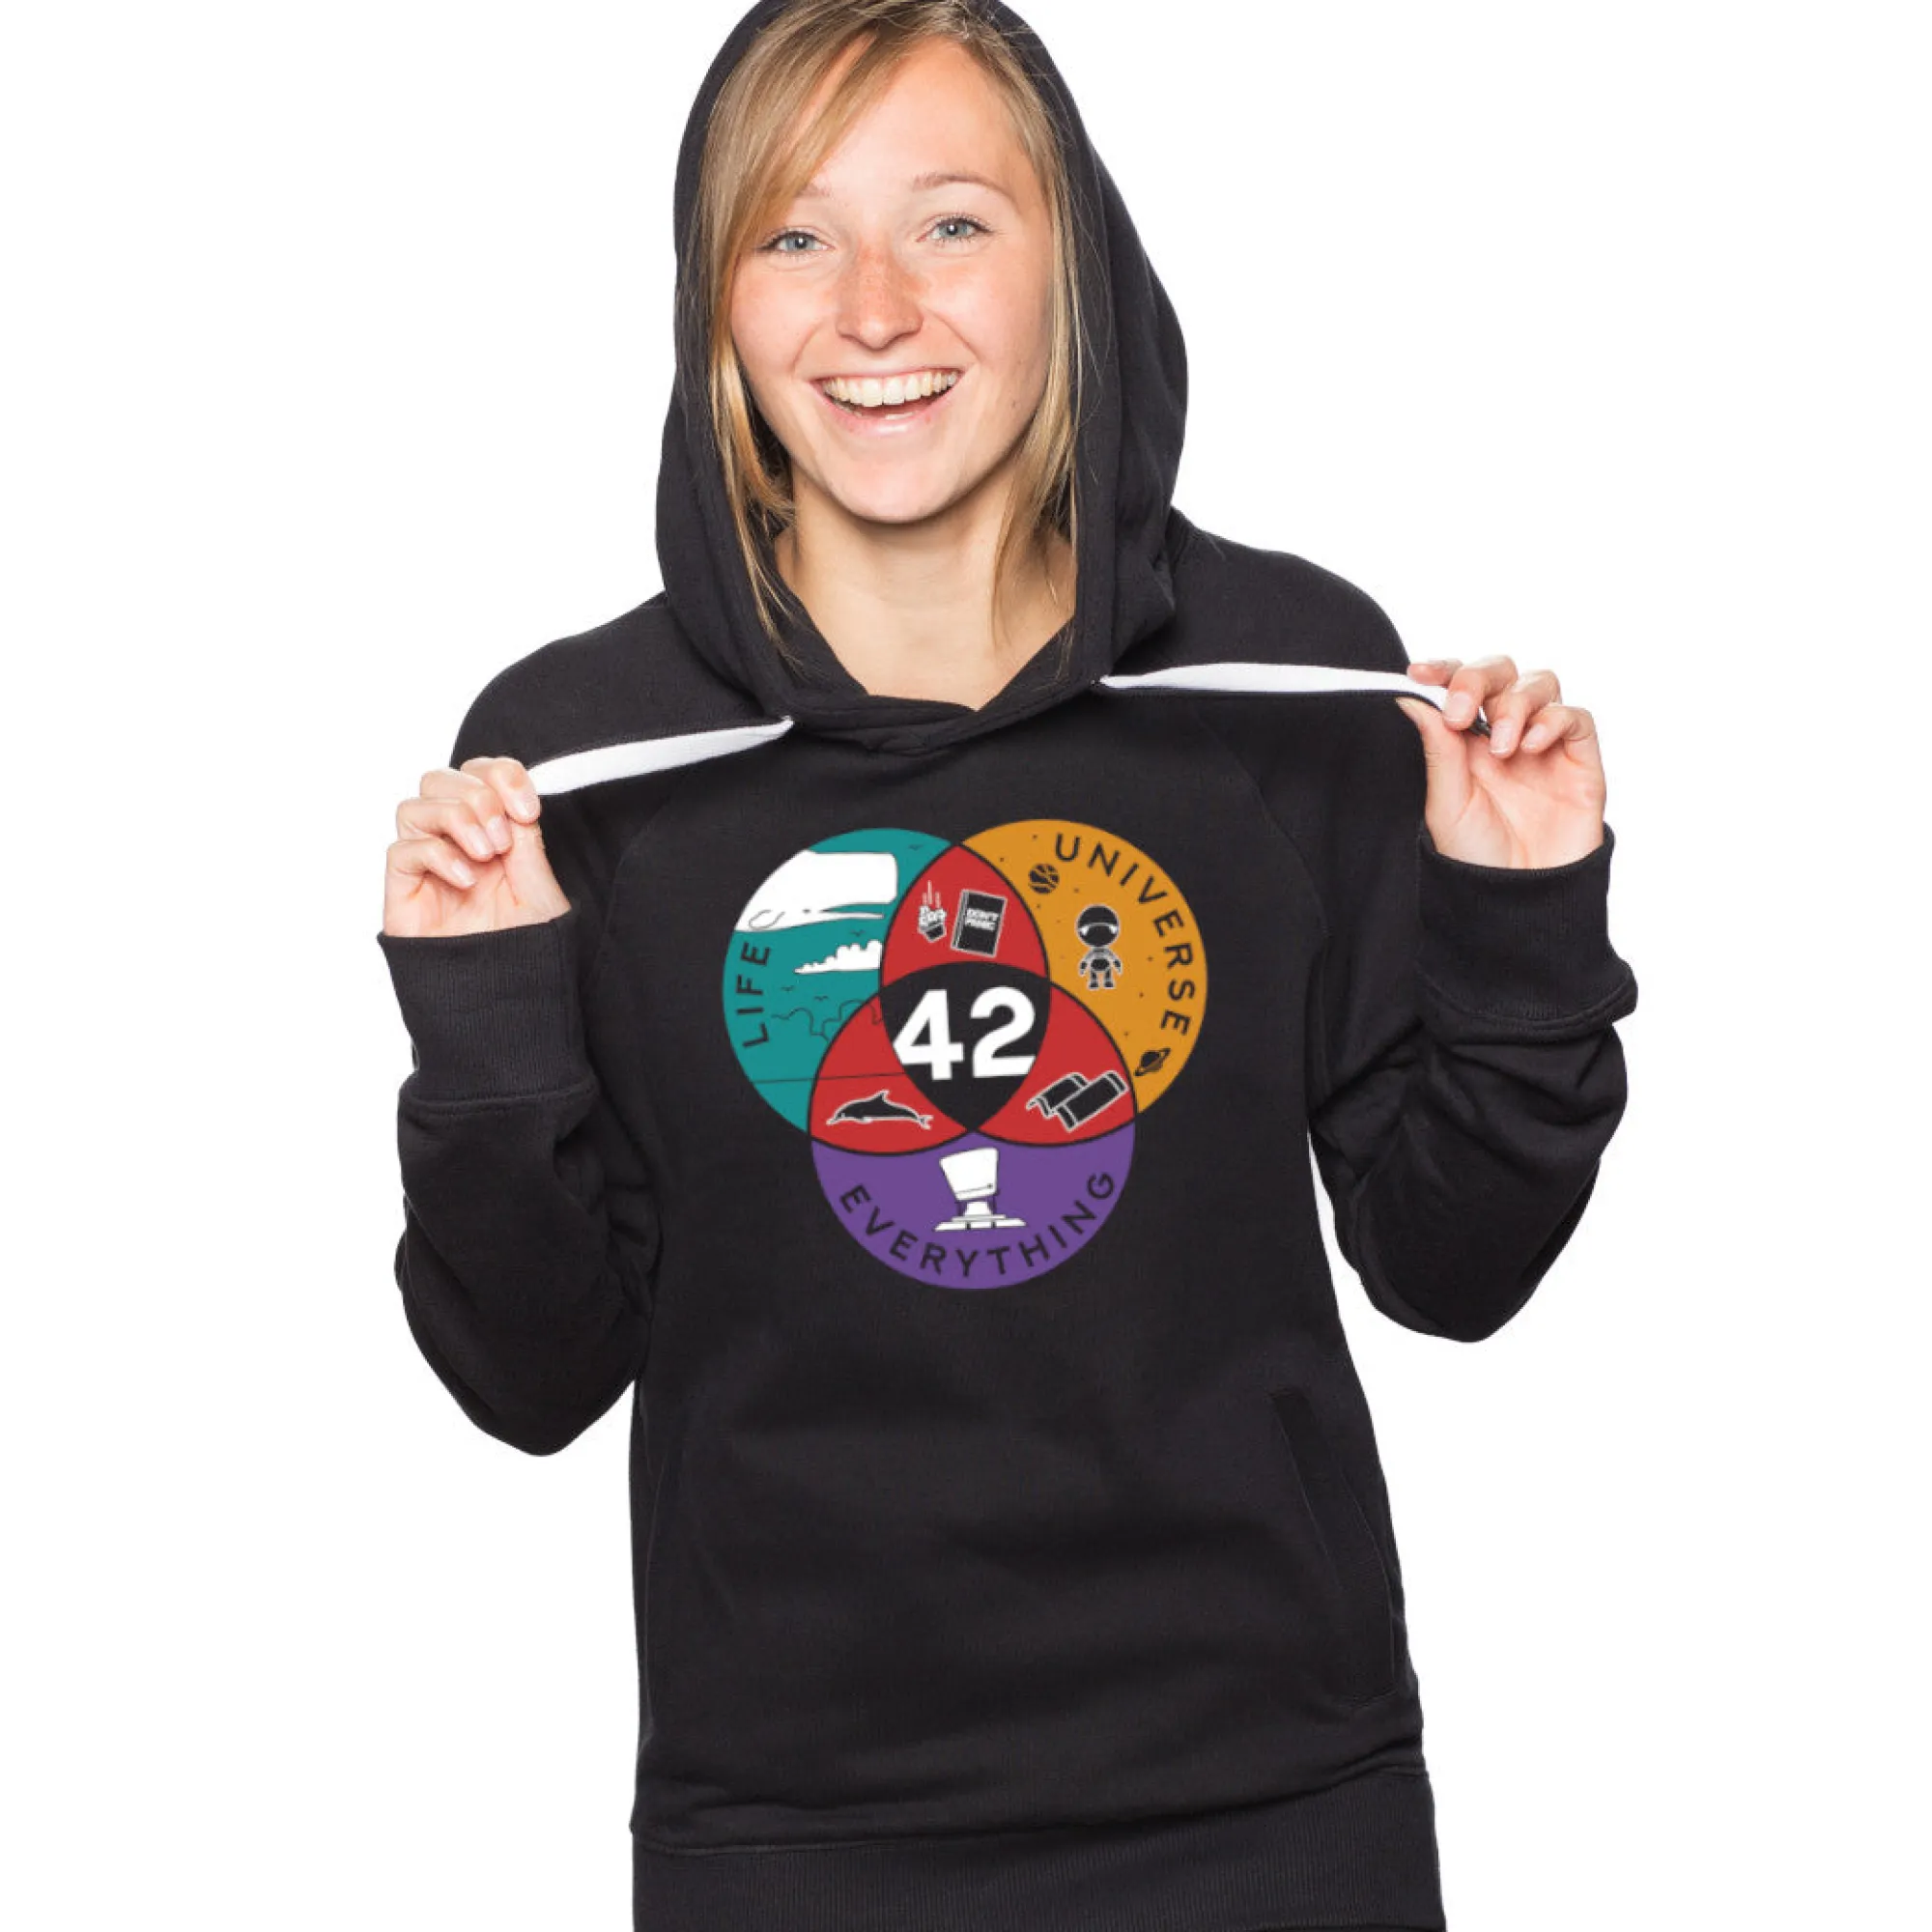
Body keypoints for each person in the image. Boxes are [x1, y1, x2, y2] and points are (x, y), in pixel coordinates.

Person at [374, 3, 1638, 1928]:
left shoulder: (1288, 690)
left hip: (1272, 1807)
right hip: (789, 1838)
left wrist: (1518, 922)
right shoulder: (583, 760)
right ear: (716, 305)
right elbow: (531, 1376)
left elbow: (1451, 1270)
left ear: (1078, 264)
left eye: (951, 223)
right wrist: (484, 1046)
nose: (873, 309)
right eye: (793, 236)